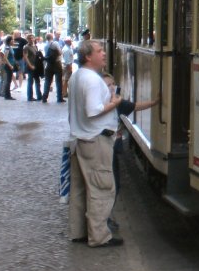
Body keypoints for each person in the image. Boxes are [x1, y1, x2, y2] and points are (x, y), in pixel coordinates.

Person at [68, 39, 123, 247]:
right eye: (100, 51)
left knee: (80, 189)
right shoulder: (91, 79)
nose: (104, 54)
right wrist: (114, 103)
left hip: (80, 139)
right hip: (96, 140)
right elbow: (93, 111)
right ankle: (99, 237)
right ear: (88, 56)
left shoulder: (77, 77)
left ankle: (78, 231)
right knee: (101, 188)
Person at [101, 73, 159, 230]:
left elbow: (135, 106)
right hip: (103, 149)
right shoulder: (101, 105)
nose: (112, 87)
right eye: (107, 85)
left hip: (112, 150)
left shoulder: (117, 103)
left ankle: (105, 219)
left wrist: (154, 102)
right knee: (107, 186)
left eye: (113, 84)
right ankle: (102, 222)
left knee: (115, 184)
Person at [42, 32, 65, 103]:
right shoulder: (55, 43)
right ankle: (59, 97)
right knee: (58, 81)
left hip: (49, 64)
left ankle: (45, 97)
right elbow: (60, 52)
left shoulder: (45, 45)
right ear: (52, 37)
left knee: (47, 81)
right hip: (56, 63)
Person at [23, 33, 43, 101]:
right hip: (31, 66)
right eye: (29, 38)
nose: (31, 39)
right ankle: (30, 96)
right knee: (30, 82)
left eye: (32, 38)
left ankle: (39, 96)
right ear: (27, 39)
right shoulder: (26, 47)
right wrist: (30, 65)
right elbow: (25, 57)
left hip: (36, 66)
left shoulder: (35, 46)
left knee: (37, 81)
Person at [0, 35, 17, 100]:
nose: (13, 41)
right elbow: (5, 57)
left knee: (9, 80)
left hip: (11, 65)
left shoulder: (9, 47)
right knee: (8, 80)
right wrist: (10, 65)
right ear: (9, 40)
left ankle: (7, 95)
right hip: (8, 65)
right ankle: (7, 95)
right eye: (12, 40)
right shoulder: (7, 47)